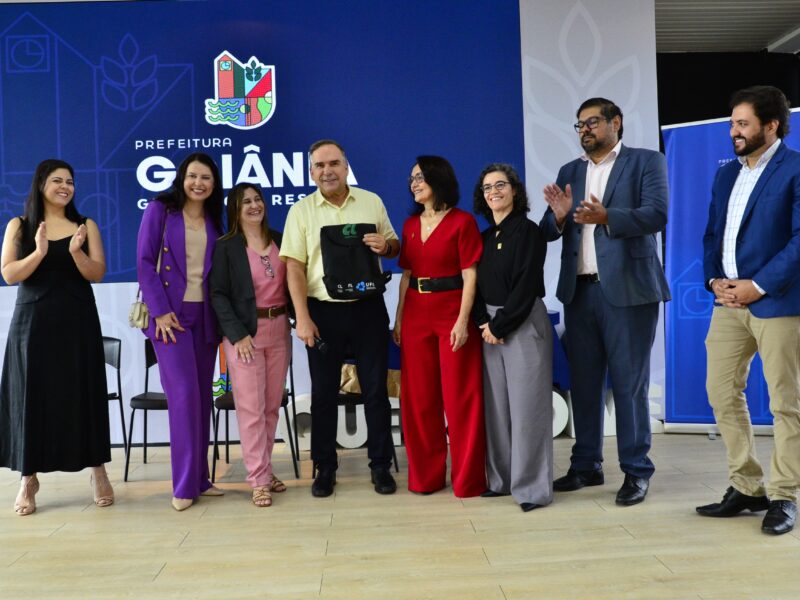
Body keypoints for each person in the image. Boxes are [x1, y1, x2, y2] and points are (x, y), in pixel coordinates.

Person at [540, 97, 671, 506]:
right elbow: (548, 229)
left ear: (616, 122)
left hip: (629, 291)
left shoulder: (646, 161)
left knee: (629, 385)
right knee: (583, 383)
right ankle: (586, 465)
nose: (584, 129)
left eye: (592, 122)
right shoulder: (570, 170)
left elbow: (656, 214)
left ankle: (636, 470)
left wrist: (608, 216)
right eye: (579, 124)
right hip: (579, 291)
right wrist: (559, 216)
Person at [696, 85, 800, 536]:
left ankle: (785, 494)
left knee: (785, 403)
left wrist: (757, 286)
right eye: (732, 123)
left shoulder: (795, 168)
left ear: (771, 125)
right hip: (728, 303)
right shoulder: (726, 174)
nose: (733, 131)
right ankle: (747, 485)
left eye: (743, 123)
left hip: (778, 301)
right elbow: (712, 234)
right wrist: (714, 280)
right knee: (721, 392)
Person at [279, 139, 399, 497]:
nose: (327, 171)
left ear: (346, 167)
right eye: (320, 165)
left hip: (368, 308)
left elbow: (393, 244)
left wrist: (386, 246)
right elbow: (294, 268)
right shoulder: (300, 211)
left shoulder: (371, 201)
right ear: (311, 172)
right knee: (323, 394)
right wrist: (302, 317)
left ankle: (380, 465)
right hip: (322, 312)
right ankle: (324, 468)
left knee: (376, 391)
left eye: (334, 163)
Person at [0, 159, 113, 515]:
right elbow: (9, 274)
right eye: (57, 181)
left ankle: (97, 470)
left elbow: (97, 273)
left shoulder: (85, 225)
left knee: (84, 393)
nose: (65, 187)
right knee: (32, 397)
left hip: (78, 321)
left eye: (70, 181)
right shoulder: (20, 225)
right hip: (33, 323)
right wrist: (40, 252)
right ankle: (28, 479)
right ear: (40, 184)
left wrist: (76, 252)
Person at [393, 155, 486, 497]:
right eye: (411, 179)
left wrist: (463, 321)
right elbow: (406, 276)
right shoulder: (409, 225)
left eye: (420, 177)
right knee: (419, 401)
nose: (414, 184)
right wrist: (399, 318)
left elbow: (470, 274)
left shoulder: (462, 222)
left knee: (461, 399)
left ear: (438, 179)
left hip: (452, 312)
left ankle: (468, 481)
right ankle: (425, 478)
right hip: (416, 314)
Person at [136, 152, 224, 511]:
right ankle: (184, 485)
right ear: (181, 178)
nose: (198, 183)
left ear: (214, 184)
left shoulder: (214, 218)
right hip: (169, 317)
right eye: (193, 176)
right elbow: (144, 262)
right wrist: (158, 311)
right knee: (185, 396)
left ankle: (201, 479)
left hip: (205, 317)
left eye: (206, 178)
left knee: (201, 398)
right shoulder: (160, 209)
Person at [472, 163, 552, 511]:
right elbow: (473, 285)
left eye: (500, 185)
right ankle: (501, 480)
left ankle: (532, 489)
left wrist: (499, 326)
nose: (494, 192)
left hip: (521, 323)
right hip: (489, 328)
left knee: (527, 410)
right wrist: (483, 323)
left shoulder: (529, 232)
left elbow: (525, 285)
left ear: (515, 190)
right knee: (497, 409)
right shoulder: (484, 238)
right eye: (488, 187)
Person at [209, 183, 291, 507]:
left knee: (271, 407)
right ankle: (258, 480)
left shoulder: (280, 239)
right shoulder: (226, 246)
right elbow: (218, 294)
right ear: (235, 209)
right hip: (245, 336)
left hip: (279, 330)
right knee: (251, 410)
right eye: (246, 202)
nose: (254, 205)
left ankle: (264, 470)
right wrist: (237, 334)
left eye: (258, 199)